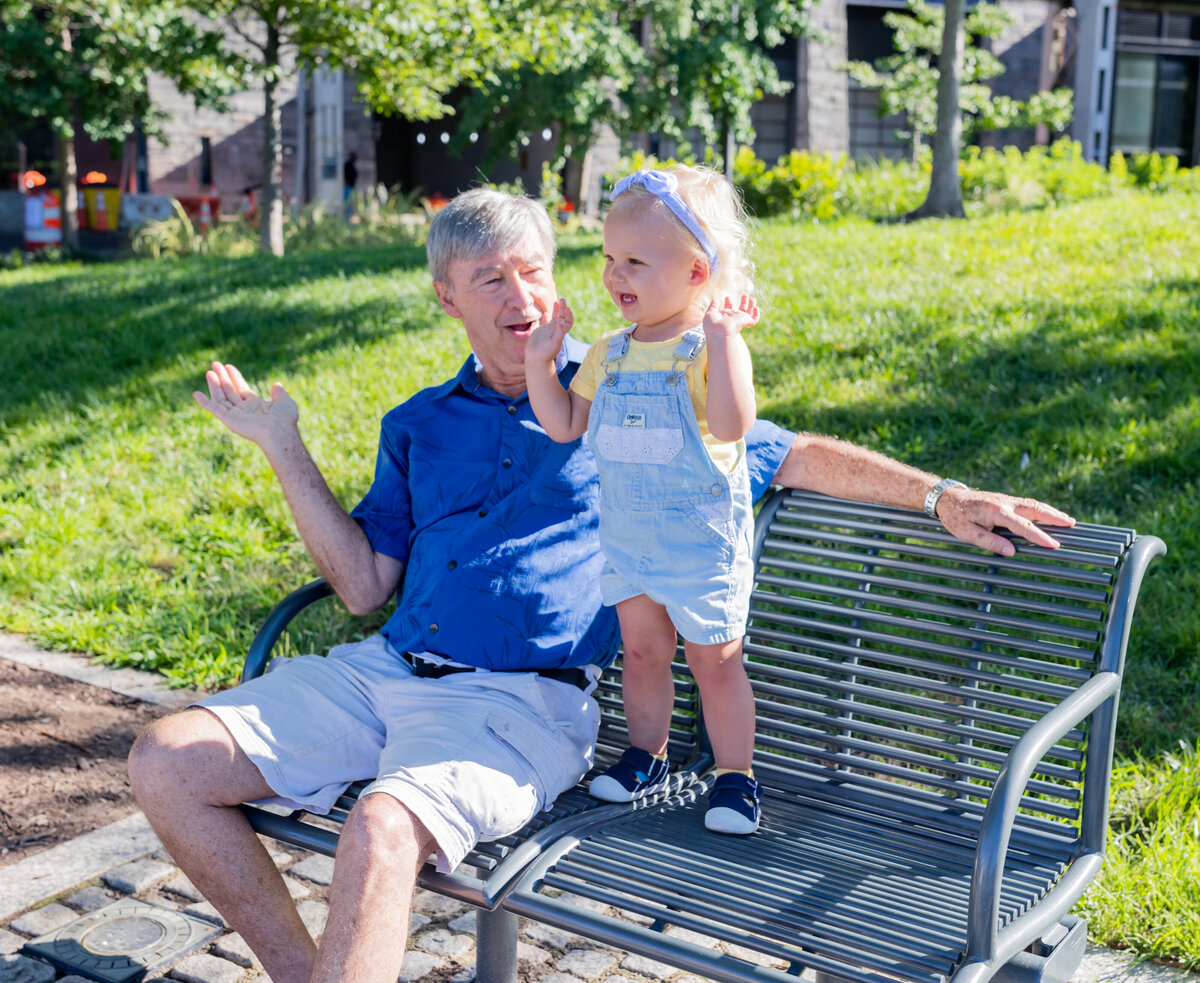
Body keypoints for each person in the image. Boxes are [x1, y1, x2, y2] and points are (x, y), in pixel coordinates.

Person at [128, 186, 1075, 983]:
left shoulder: (628, 387)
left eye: (536, 269)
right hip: (381, 670)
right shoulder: (416, 422)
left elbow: (785, 454)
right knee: (163, 760)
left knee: (380, 829)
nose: (522, 295)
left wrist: (942, 493)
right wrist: (284, 448)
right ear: (447, 297)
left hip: (515, 703)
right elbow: (365, 583)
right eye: (492, 277)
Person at [525, 165, 765, 834]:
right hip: (632, 543)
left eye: (634, 261)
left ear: (696, 273)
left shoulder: (709, 347)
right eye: (608, 258)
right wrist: (540, 364)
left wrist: (726, 341)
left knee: (714, 662)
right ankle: (647, 755)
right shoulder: (609, 352)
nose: (614, 275)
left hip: (700, 543)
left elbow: (731, 423)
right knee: (641, 653)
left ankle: (736, 777)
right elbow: (564, 424)